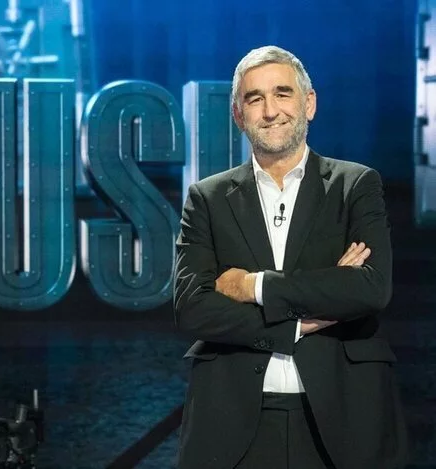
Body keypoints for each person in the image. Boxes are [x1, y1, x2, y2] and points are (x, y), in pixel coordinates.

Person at [174, 45, 409, 469]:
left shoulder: (356, 185)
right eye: (255, 99)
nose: (270, 111)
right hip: (232, 422)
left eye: (282, 93)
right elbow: (193, 309)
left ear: (309, 103)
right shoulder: (207, 198)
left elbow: (370, 288)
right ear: (238, 114)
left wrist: (254, 286)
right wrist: (301, 320)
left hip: (344, 416)